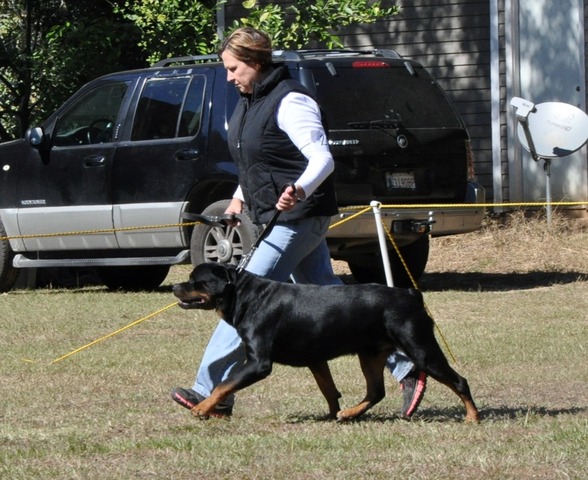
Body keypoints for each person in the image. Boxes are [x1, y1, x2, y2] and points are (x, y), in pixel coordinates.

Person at [171, 27, 426, 419]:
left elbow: (321, 159)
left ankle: (210, 391)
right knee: (326, 293)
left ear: (255, 63)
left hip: (299, 218)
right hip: (276, 217)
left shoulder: (290, 100)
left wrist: (300, 190)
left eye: (233, 68)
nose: (228, 77)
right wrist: (240, 198)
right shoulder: (250, 101)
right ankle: (408, 369)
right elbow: (258, 162)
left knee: (240, 299)